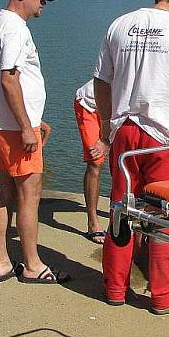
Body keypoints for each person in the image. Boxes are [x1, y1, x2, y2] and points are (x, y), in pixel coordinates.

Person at [93, 0, 169, 314]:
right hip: (166, 135)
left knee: (120, 210)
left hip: (125, 130)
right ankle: (164, 295)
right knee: (164, 215)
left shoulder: (120, 24)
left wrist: (106, 125)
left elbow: (101, 81)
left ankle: (115, 288)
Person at [0, 0, 67, 284]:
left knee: (6, 192)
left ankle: (2, 261)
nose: (44, 2)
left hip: (2, 124)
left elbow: (4, 80)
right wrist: (26, 127)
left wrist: (31, 117)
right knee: (30, 195)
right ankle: (32, 265)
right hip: (15, 129)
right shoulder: (15, 28)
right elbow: (8, 78)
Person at [73, 79, 107, 244]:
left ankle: (120, 214)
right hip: (89, 105)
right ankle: (93, 222)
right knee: (96, 161)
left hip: (112, 109)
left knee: (123, 160)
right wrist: (105, 139)